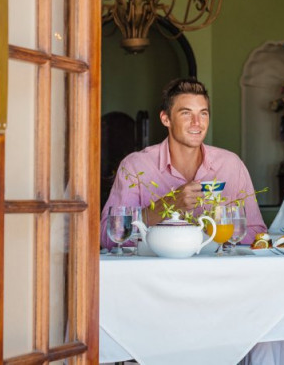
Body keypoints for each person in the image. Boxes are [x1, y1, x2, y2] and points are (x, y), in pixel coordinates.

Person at [101, 78, 267, 249]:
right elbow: (107, 237)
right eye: (186, 113)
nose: (197, 122)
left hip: (215, 265)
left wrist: (211, 233)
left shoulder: (231, 165)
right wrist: (168, 204)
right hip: (157, 266)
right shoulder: (135, 166)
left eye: (203, 113)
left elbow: (256, 232)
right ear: (166, 119)